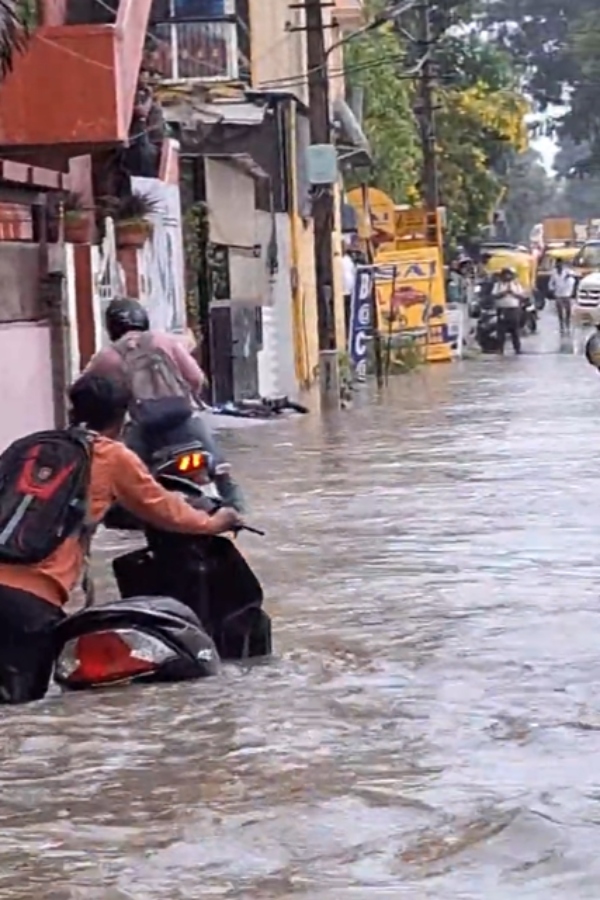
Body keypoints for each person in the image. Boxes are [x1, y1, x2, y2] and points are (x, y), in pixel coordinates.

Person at [0, 374, 242, 705]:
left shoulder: (31, 447)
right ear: (124, 416)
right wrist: (216, 522)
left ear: (73, 409)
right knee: (23, 708)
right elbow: (166, 510)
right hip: (31, 602)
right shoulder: (109, 455)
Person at [84, 297, 244, 511]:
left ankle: (131, 518)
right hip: (186, 421)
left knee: (128, 479)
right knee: (220, 468)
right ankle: (238, 513)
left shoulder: (107, 357)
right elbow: (196, 379)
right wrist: (187, 400)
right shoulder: (164, 341)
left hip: (144, 429)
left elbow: (81, 389)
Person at [492, 266, 523, 354]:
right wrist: (504, 292)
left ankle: (517, 349)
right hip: (502, 310)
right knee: (501, 331)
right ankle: (500, 349)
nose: (507, 276)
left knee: (515, 331)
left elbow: (521, 296)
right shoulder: (498, 285)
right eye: (506, 274)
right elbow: (494, 296)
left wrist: (513, 293)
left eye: (509, 275)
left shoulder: (516, 284)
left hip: (514, 310)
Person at [548, 258, 575, 334]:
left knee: (568, 311)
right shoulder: (554, 273)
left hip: (567, 294)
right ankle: (561, 326)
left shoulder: (567, 272)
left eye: (560, 264)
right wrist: (552, 289)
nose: (558, 266)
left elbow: (574, 278)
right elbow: (551, 283)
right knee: (560, 311)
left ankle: (568, 325)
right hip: (558, 294)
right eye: (557, 264)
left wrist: (569, 277)